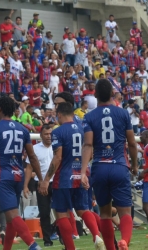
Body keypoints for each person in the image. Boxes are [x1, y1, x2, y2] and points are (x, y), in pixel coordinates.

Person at [0, 96, 46, 250]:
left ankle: (33, 245)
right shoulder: (22, 129)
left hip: (3, 176)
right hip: (18, 175)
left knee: (13, 215)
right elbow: (32, 157)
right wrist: (41, 178)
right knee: (10, 220)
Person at [81, 79, 138, 250]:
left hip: (99, 167)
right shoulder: (123, 114)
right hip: (119, 166)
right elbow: (132, 143)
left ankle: (110, 248)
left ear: (95, 95)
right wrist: (134, 165)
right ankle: (124, 241)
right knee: (125, 211)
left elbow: (88, 144)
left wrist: (83, 171)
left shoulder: (89, 116)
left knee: (105, 213)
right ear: (113, 94)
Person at [40, 103, 105, 250]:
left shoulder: (58, 131)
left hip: (64, 177)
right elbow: (90, 154)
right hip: (81, 175)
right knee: (83, 210)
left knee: (61, 213)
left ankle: (70, 248)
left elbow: (58, 157)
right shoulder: (83, 129)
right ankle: (96, 236)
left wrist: (45, 180)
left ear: (60, 114)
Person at [24, 125, 54, 247]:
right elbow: (29, 167)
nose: (48, 136)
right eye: (46, 134)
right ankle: (47, 240)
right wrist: (25, 185)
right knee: (44, 212)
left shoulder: (57, 147)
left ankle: (63, 235)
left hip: (56, 182)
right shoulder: (35, 149)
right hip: (41, 184)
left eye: (50, 134)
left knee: (62, 211)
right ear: (41, 135)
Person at [139, 130, 148, 221]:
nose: (140, 137)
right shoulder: (145, 148)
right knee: (145, 206)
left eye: (142, 135)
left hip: (147, 179)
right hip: (146, 180)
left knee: (146, 206)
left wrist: (143, 172)